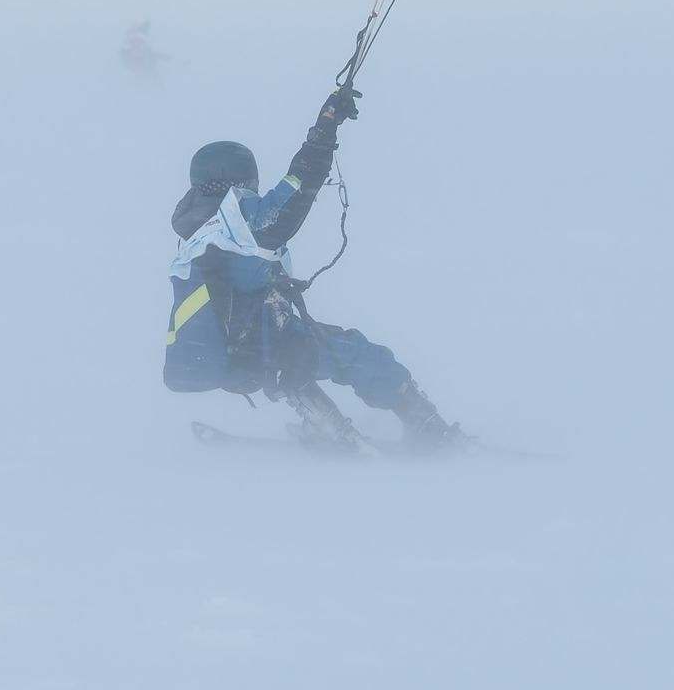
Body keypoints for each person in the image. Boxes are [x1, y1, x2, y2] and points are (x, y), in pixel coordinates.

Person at [162, 84, 464, 450]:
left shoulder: (201, 231)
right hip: (263, 342)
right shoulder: (239, 220)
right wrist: (323, 134)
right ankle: (425, 425)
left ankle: (325, 423)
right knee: (354, 353)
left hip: (238, 350)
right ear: (242, 181)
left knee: (292, 360)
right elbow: (291, 198)